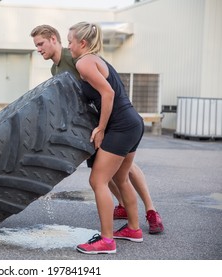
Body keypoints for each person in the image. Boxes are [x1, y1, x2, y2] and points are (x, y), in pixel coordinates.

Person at [30, 24, 164, 235]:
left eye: (40, 43)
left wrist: (103, 126)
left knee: (117, 173)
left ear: (54, 39)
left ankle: (149, 211)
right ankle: (128, 218)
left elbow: (107, 88)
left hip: (113, 120)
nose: (38, 48)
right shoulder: (56, 69)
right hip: (97, 124)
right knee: (112, 175)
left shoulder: (77, 58)